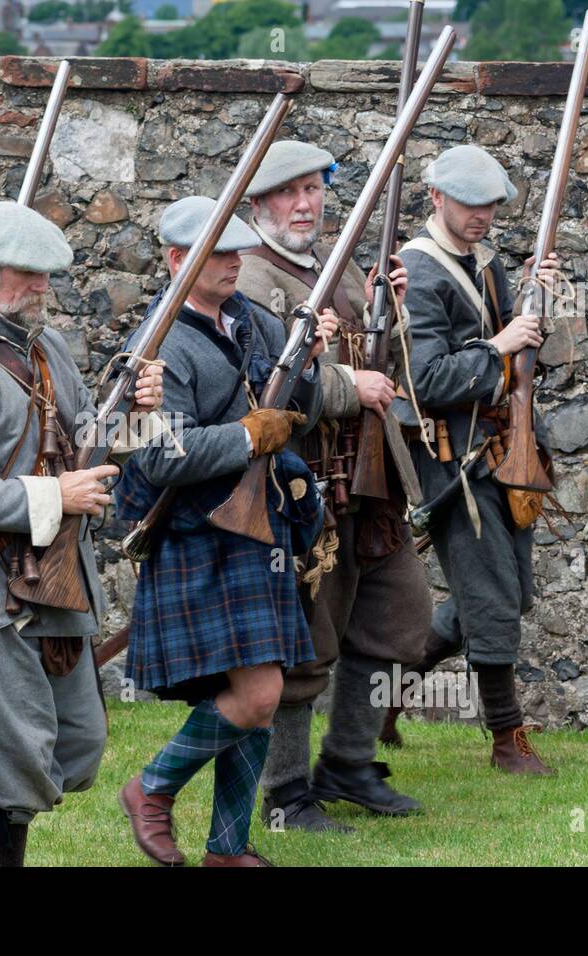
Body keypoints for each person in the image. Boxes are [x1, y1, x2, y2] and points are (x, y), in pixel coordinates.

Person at [0, 201, 163, 867]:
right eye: (28, 275)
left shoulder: (43, 349)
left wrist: (138, 414)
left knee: (75, 746)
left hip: (56, 580)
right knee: (12, 760)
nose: (43, 287)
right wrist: (52, 496)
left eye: (47, 275)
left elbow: (89, 447)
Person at [116, 196, 336, 867]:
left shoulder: (250, 320)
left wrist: (309, 363)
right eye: (220, 253)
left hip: (258, 523)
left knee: (256, 695)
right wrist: (246, 435)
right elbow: (157, 455)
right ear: (179, 260)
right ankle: (150, 790)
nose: (235, 262)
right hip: (198, 529)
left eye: (238, 250)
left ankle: (227, 848)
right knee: (258, 692)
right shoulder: (155, 346)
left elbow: (305, 407)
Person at [236, 140, 432, 829]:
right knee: (307, 642)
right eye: (289, 193)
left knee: (399, 620)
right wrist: (351, 383)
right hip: (305, 486)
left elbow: (386, 357)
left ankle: (348, 764)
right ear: (258, 203)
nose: (305, 204)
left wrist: (392, 310)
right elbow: (270, 381)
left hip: (374, 476)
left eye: (313, 189)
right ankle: (287, 794)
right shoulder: (252, 278)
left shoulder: (337, 261)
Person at [395, 144, 562, 774]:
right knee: (491, 599)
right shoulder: (419, 270)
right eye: (470, 202)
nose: (482, 214)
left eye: (490, 204)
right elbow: (428, 381)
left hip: (501, 448)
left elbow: (530, 361)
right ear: (436, 197)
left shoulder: (487, 265)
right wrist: (498, 343)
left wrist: (540, 304)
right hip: (452, 461)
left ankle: (385, 693)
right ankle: (505, 741)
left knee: (506, 594)